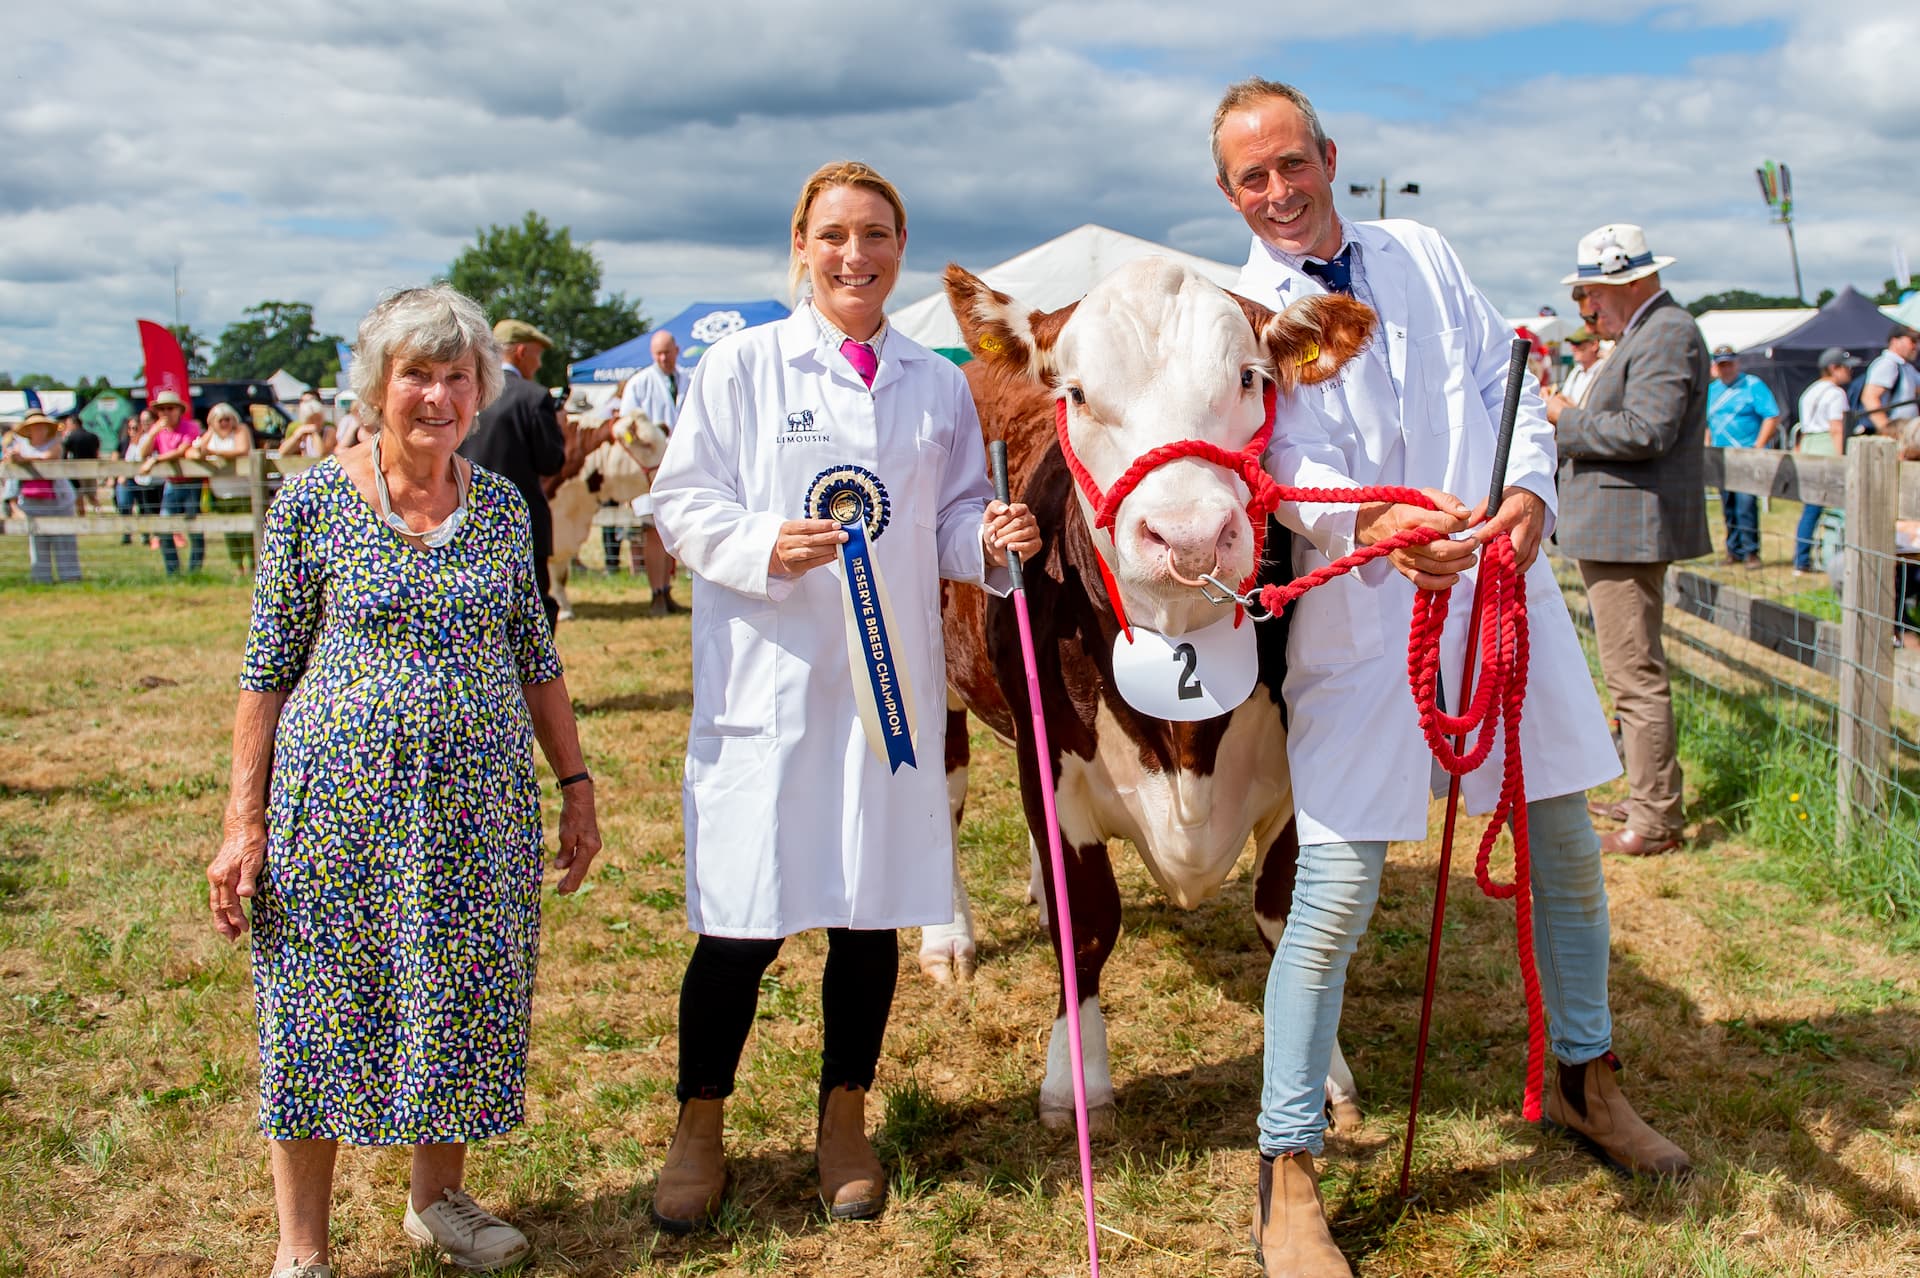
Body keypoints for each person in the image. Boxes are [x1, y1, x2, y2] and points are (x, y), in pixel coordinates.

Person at [1213, 81, 1691, 1278]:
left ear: (1330, 155)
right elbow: (1276, 467)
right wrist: (1373, 521)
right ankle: (1286, 1164)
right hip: (1364, 619)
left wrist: (1526, 491)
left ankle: (1586, 1079)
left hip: (1502, 593)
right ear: (1228, 193)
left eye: (1291, 163)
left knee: (1567, 855)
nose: (1278, 192)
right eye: (1251, 178)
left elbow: (1500, 385)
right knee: (1331, 895)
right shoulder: (1244, 314)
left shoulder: (1421, 252)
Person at [649, 160, 1038, 1233]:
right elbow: (681, 502)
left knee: (868, 915)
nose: (854, 255)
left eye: (875, 235)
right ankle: (699, 1123)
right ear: (801, 246)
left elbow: (949, 517)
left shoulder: (934, 382)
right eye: (833, 235)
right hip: (770, 682)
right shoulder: (742, 367)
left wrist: (988, 537)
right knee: (741, 922)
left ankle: (844, 1118)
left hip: (887, 696)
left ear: (899, 248)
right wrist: (761, 543)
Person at [204, 284, 601, 1278]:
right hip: (336, 808)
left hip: (480, 808)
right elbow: (265, 671)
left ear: (482, 388)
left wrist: (577, 784)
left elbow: (535, 656)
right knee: (315, 1006)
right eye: (415, 374)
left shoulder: (499, 507)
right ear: (378, 386)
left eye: (456, 376)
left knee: (462, 994)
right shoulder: (314, 504)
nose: (437, 395)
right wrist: (242, 820)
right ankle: (302, 1246)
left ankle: (439, 1201)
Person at [1544, 223, 1711, 856]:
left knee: (1634, 677)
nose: (1587, 308)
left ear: (1631, 282)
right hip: (1621, 529)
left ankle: (1656, 817)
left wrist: (1566, 419)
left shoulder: (1666, 332)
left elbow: (1646, 430)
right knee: (1629, 674)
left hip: (1628, 532)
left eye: (1592, 294)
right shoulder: (1654, 330)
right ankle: (1649, 798)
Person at [459, 319, 567, 631]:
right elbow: (551, 462)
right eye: (537, 355)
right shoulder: (534, 397)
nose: (539, 363)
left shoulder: (468, 392)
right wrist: (558, 429)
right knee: (531, 609)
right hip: (522, 519)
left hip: (465, 516)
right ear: (521, 352)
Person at [620, 330, 691, 614]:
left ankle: (667, 589)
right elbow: (626, 427)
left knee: (673, 530)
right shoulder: (639, 384)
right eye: (658, 354)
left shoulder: (689, 379)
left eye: (667, 352)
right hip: (650, 469)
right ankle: (656, 593)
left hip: (683, 466)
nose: (663, 358)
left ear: (677, 350)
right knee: (653, 531)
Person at [1703, 344, 1780, 566]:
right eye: (1722, 365)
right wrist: (1707, 446)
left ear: (1737, 363)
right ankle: (1733, 550)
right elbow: (1707, 422)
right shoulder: (1712, 391)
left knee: (1745, 504)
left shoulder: (1753, 385)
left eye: (1729, 364)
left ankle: (1750, 551)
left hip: (1746, 454)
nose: (1726, 369)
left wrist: (1759, 445)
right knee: (1728, 504)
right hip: (1721, 455)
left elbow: (1771, 415)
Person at [1792, 348, 1857, 576]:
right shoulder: (1836, 394)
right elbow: (1836, 428)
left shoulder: (1809, 391)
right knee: (1842, 505)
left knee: (1811, 507)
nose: (1850, 371)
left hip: (1809, 445)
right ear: (1833, 368)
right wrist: (1841, 460)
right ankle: (1841, 556)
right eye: (1846, 367)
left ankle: (1801, 559)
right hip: (1827, 447)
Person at [3, 409, 82, 583]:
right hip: (32, 502)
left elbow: (49, 457)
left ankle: (70, 577)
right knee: (37, 541)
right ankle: (41, 578)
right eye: (34, 426)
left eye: (41, 426)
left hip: (59, 501)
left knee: (64, 539)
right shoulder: (20, 446)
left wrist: (24, 459)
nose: (38, 429)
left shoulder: (55, 443)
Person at [139, 390, 205, 575]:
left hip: (191, 483)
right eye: (162, 409)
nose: (166, 413)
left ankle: (194, 571)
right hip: (172, 484)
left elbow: (182, 451)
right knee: (164, 527)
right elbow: (143, 453)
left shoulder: (190, 427)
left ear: (179, 410)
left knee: (194, 527)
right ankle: (172, 570)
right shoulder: (159, 431)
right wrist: (152, 433)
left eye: (170, 408)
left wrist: (155, 459)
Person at [187, 402, 256, 574]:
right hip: (220, 493)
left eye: (227, 419)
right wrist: (208, 438)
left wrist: (214, 453)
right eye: (220, 420)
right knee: (229, 532)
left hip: (243, 491)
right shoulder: (211, 437)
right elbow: (193, 452)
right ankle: (237, 567)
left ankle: (253, 566)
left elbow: (242, 449)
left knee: (247, 532)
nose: (224, 423)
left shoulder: (240, 430)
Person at [1861, 324, 1919, 458]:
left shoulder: (1905, 367)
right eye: (1912, 341)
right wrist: (1888, 431)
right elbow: (1869, 398)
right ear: (1895, 341)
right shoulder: (1887, 364)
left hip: (1904, 437)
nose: (1916, 346)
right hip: (1895, 439)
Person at [279, 390, 336, 460]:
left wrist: (315, 433)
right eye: (311, 419)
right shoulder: (296, 427)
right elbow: (282, 452)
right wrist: (297, 435)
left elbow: (320, 454)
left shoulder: (329, 429)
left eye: (318, 418)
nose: (315, 422)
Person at [1559, 326, 1605, 407]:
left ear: (1594, 345)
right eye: (1572, 344)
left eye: (1577, 343)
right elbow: (1564, 397)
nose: (1573, 348)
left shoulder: (1606, 372)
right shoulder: (1576, 371)